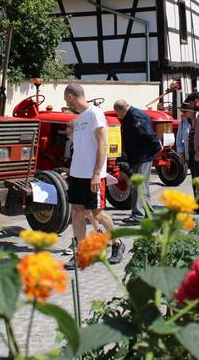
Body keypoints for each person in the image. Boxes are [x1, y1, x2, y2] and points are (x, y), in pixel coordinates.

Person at [63, 83, 124, 268]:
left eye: (67, 100)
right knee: (77, 212)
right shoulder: (80, 118)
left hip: (92, 175)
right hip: (77, 174)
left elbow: (102, 144)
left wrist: (97, 173)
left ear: (71, 97)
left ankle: (117, 243)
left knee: (97, 214)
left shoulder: (95, 113)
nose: (67, 103)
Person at [113, 100, 160, 225]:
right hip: (142, 154)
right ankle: (149, 212)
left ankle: (137, 215)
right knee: (142, 185)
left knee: (137, 185)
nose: (119, 117)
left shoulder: (134, 116)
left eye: (118, 114)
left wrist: (156, 146)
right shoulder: (136, 113)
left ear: (121, 110)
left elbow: (147, 133)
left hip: (142, 155)